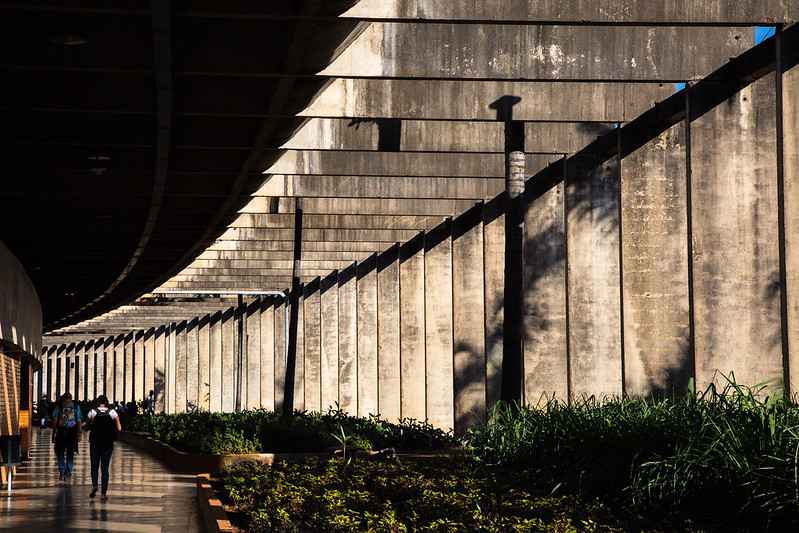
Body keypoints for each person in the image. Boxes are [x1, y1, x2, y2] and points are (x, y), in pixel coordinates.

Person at [85, 395, 121, 501]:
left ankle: (95, 485)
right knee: (105, 468)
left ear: (97, 402)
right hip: (107, 444)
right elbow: (119, 428)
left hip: (95, 443)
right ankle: (104, 493)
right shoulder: (112, 412)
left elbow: (86, 426)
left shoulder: (92, 412)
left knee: (94, 466)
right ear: (106, 402)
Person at [51, 392, 82, 481]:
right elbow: (79, 420)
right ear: (71, 398)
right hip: (72, 432)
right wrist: (79, 433)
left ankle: (61, 471)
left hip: (61, 431)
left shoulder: (59, 407)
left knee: (60, 452)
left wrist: (53, 434)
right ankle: (68, 471)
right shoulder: (76, 407)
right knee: (70, 452)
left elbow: (55, 421)